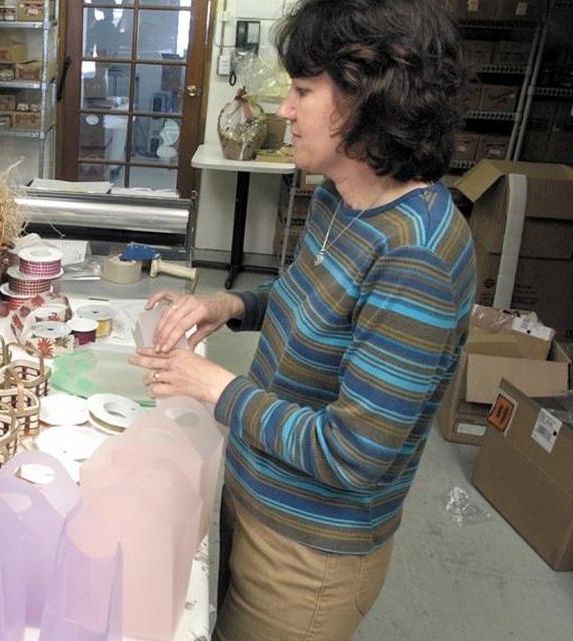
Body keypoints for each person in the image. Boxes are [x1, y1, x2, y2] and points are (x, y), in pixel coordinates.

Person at [130, 2, 475, 640]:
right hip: (257, 484)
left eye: (303, 90)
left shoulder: (415, 254)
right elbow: (306, 295)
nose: (284, 110)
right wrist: (228, 305)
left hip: (308, 551)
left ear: (374, 100)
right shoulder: (340, 196)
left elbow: (352, 454)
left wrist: (213, 387)